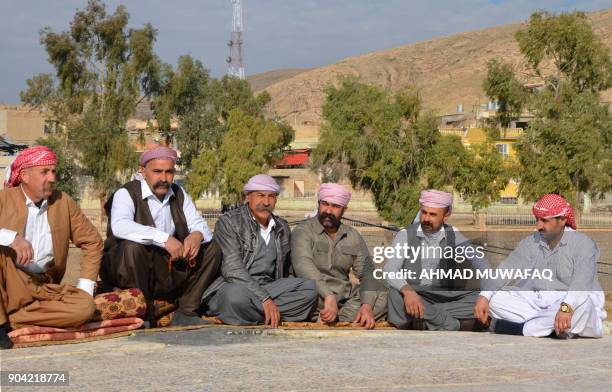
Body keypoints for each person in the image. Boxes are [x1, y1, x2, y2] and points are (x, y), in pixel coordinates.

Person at [100, 146, 221, 326]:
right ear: (143, 171)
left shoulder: (179, 193)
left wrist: (196, 235)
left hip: (167, 265)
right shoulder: (126, 193)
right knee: (133, 247)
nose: (164, 178)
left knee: (213, 249)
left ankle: (186, 311)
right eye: (157, 171)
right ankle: (143, 313)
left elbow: (198, 223)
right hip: (129, 266)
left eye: (169, 172)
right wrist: (164, 239)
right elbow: (120, 226)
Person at [0, 146, 103, 349]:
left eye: (54, 171)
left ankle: (10, 319)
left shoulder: (63, 202)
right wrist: (11, 237)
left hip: (43, 287)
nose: (53, 178)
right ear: (25, 176)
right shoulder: (4, 198)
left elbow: (93, 241)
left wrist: (85, 289)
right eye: (45, 172)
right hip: (8, 280)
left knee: (85, 308)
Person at [474, 194, 607, 338]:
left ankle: (523, 329)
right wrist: (484, 296)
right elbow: (507, 269)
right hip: (538, 306)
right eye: (537, 220)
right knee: (495, 299)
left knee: (583, 304)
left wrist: (565, 307)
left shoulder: (583, 245)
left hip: (571, 305)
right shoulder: (531, 242)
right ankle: (552, 329)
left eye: (544, 220)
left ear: (562, 220)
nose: (538, 226)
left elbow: (581, 285)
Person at [202, 174, 317, 327]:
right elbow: (232, 270)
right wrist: (264, 299)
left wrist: (270, 296)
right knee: (235, 297)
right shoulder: (229, 222)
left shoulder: (281, 227)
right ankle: (267, 313)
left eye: (271, 196)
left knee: (309, 289)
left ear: (276, 200)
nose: (266, 202)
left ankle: (249, 315)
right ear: (248, 197)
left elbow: (286, 270)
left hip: (269, 287)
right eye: (260, 196)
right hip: (235, 286)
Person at [384, 189, 488, 331]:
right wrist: (408, 292)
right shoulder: (405, 234)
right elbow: (390, 270)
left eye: (432, 214)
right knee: (395, 294)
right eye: (424, 212)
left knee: (481, 298)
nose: (426, 218)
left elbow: (482, 265)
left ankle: (424, 317)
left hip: (442, 296)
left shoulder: (454, 235)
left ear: (446, 216)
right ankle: (451, 324)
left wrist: (485, 296)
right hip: (414, 292)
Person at [291, 183, 387, 329]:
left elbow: (367, 273)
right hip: (313, 296)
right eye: (325, 204)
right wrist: (328, 296)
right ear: (319, 203)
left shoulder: (352, 235)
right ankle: (337, 318)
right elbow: (303, 267)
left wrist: (366, 306)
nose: (328, 210)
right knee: (304, 296)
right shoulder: (303, 231)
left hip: (343, 297)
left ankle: (338, 319)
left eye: (335, 206)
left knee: (383, 292)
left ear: (344, 210)